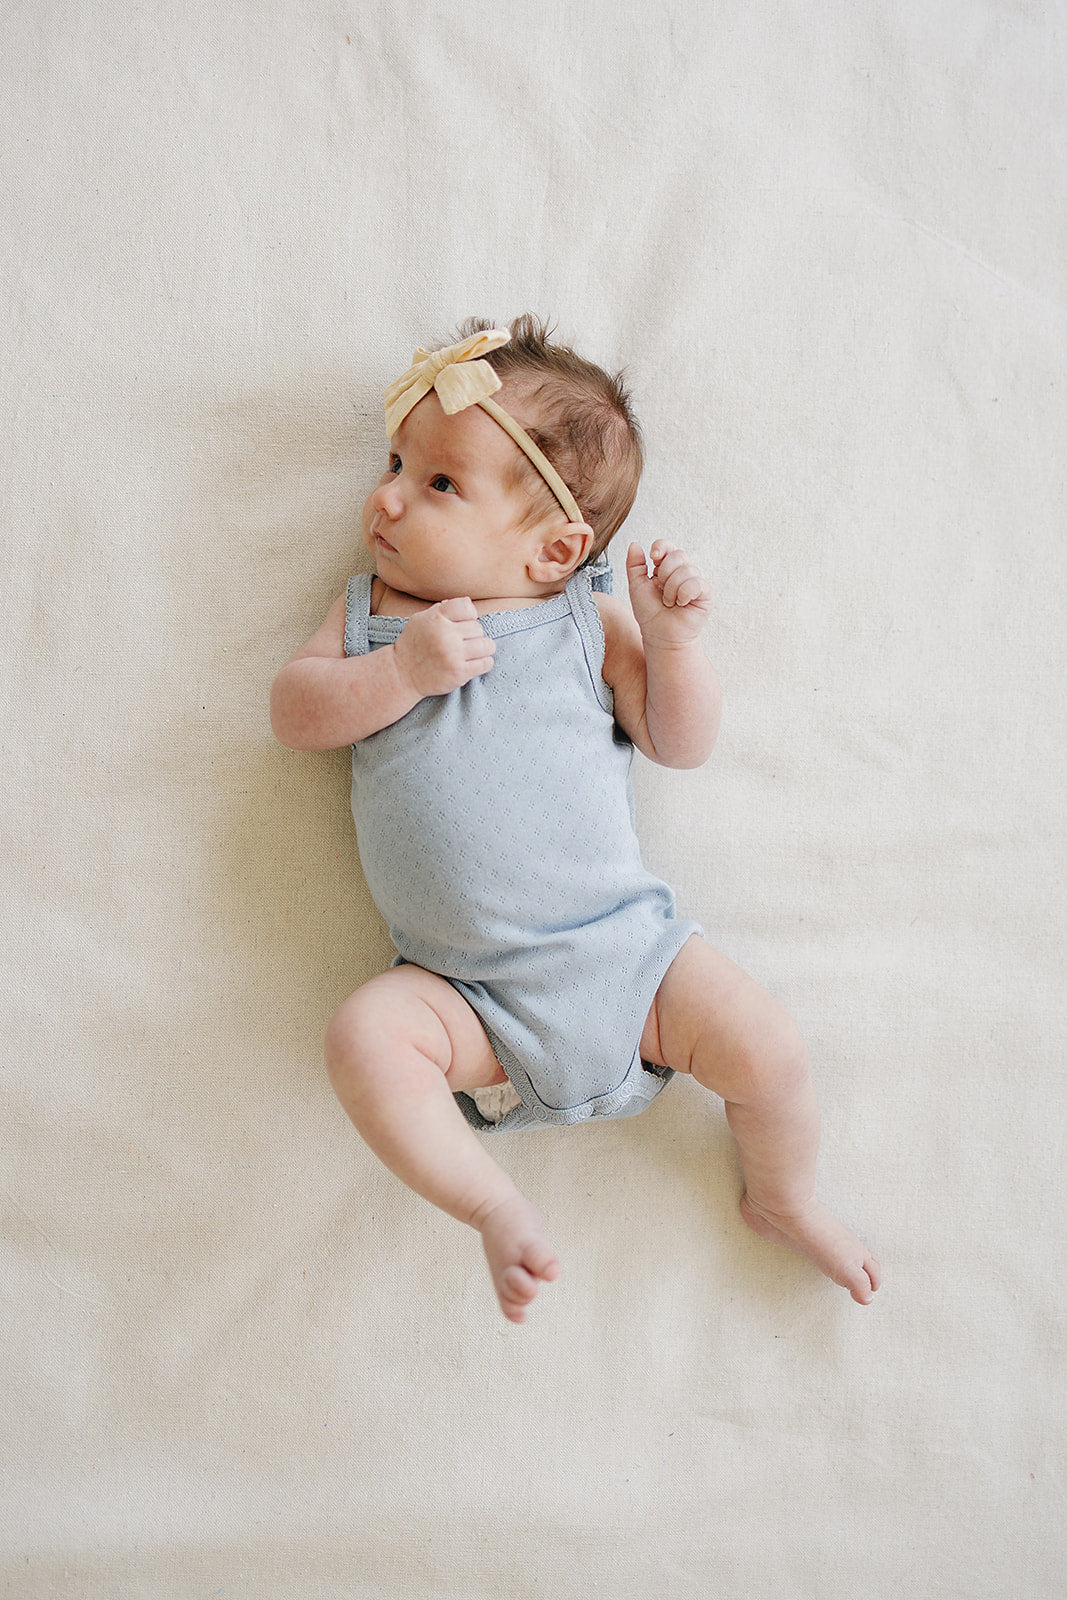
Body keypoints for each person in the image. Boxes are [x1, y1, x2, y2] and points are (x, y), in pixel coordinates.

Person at [270, 316, 881, 1324]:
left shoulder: (582, 622)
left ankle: (783, 1194)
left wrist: (671, 644)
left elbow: (676, 742)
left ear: (557, 546)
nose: (383, 496)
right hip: (465, 1001)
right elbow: (294, 712)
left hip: (629, 966)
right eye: (394, 462)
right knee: (362, 1039)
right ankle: (490, 1204)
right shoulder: (372, 612)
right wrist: (397, 671)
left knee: (769, 1051)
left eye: (437, 483)